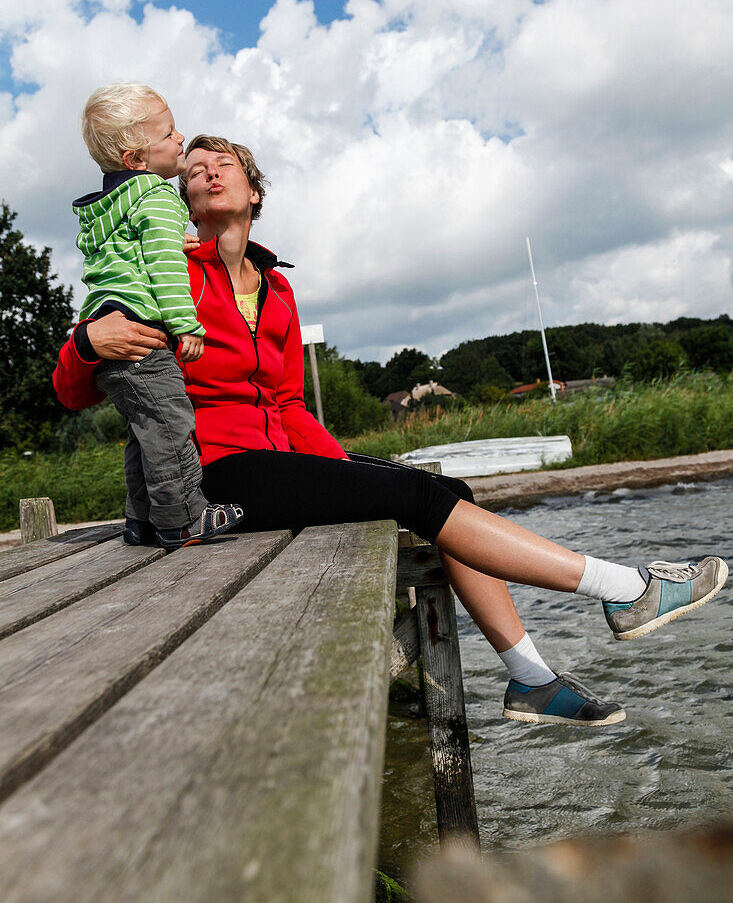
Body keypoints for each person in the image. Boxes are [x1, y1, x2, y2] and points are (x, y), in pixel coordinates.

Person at [54, 132, 728, 727]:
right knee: (416, 497)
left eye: (220, 162)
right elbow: (70, 389)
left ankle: (531, 680)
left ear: (253, 191)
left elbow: (290, 405)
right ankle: (625, 590)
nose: (203, 172)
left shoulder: (277, 290)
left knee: (445, 490)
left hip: (276, 461)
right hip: (213, 474)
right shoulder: (165, 276)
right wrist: (89, 340)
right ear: (181, 202)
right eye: (191, 168)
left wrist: (348, 474)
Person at [72, 86, 242, 550]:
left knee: (143, 431)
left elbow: (131, 253)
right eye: (168, 133)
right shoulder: (159, 197)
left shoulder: (106, 208)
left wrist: (166, 240)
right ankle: (184, 518)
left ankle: (141, 519)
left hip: (108, 330)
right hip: (143, 337)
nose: (180, 137)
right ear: (136, 158)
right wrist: (186, 324)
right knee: (170, 422)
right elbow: (166, 270)